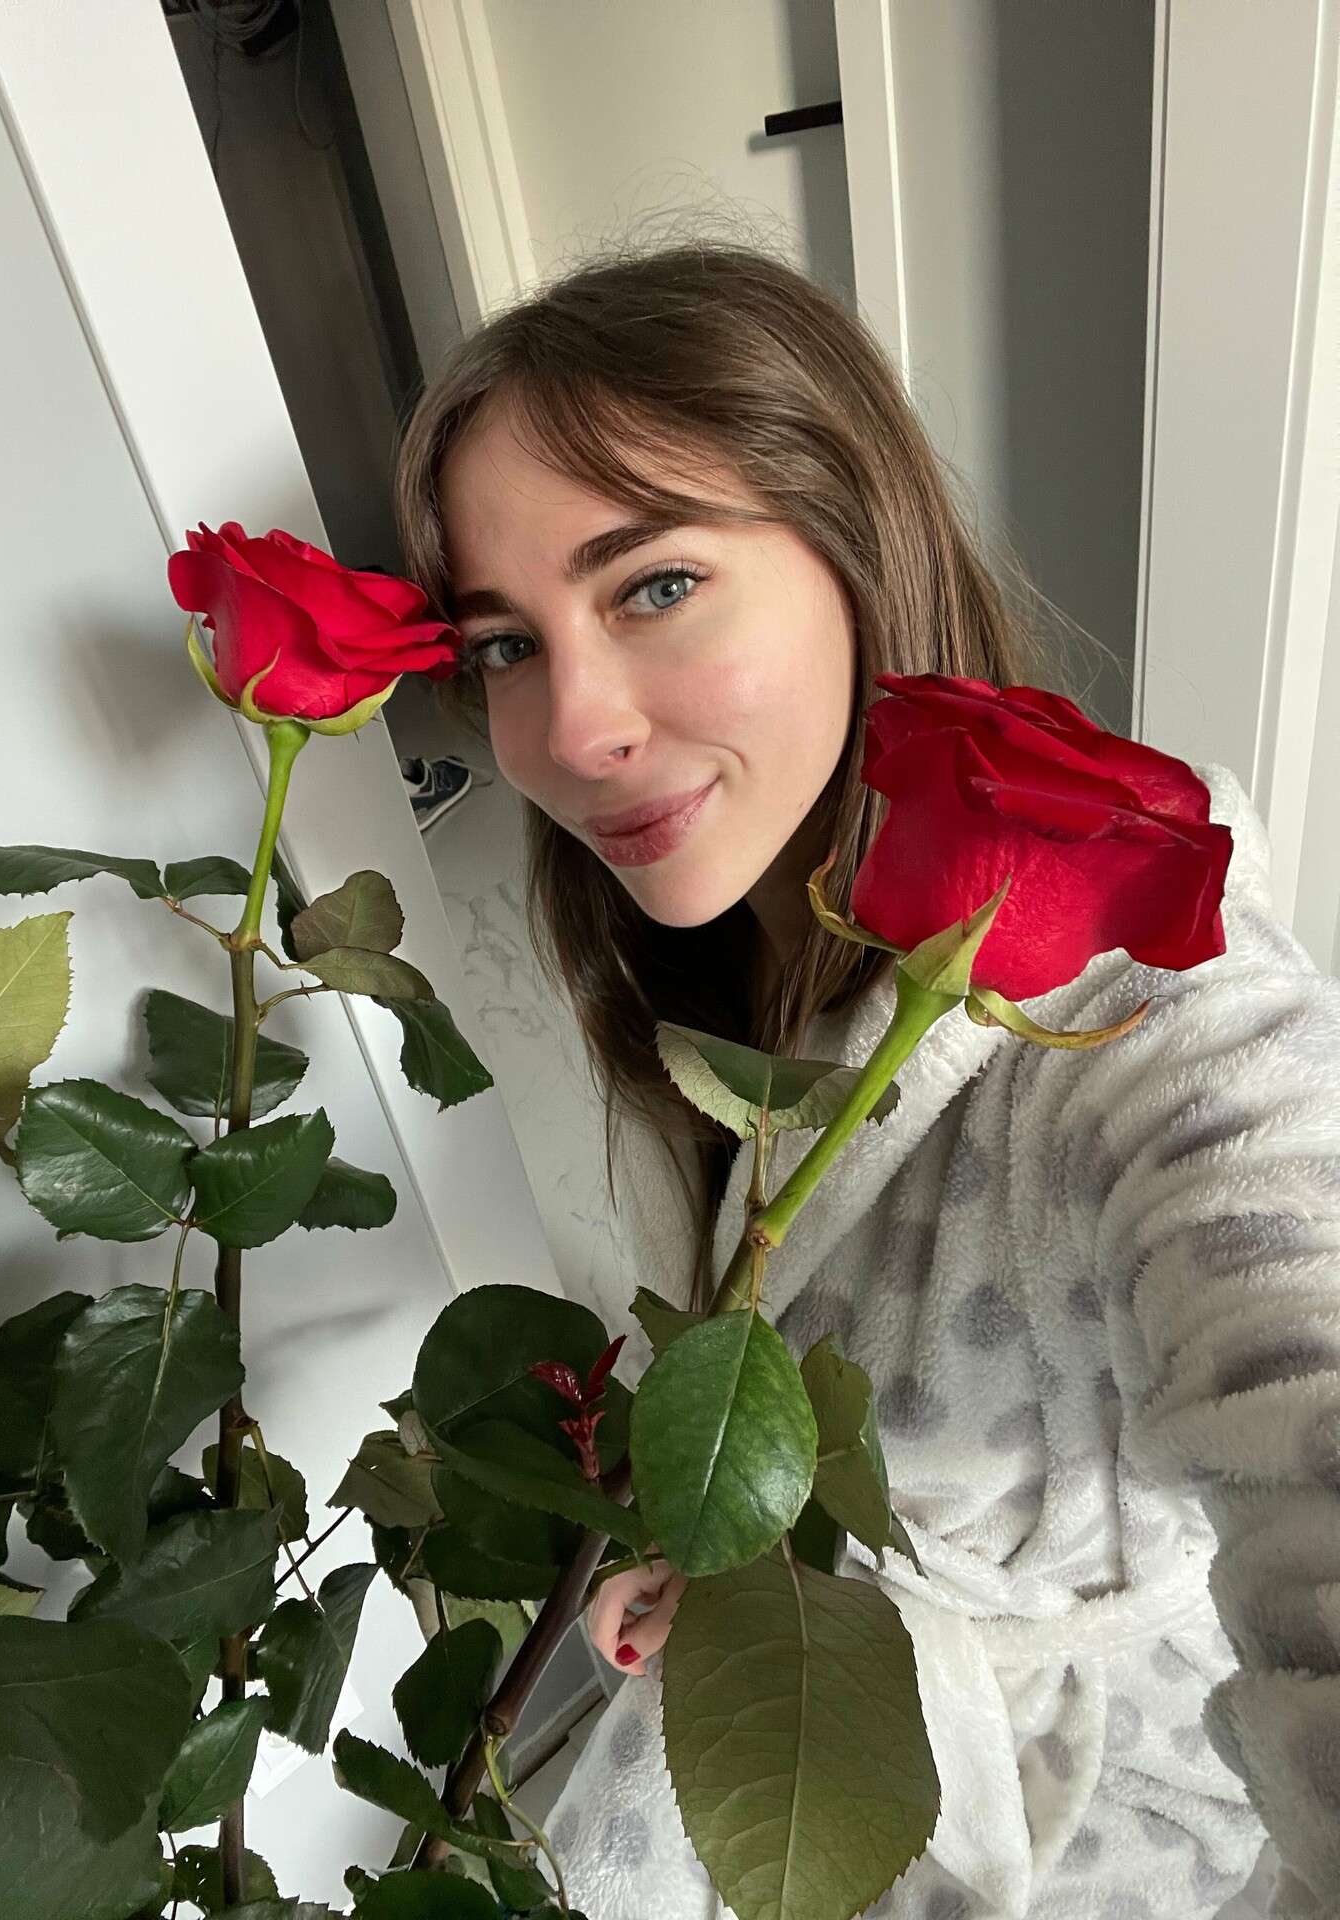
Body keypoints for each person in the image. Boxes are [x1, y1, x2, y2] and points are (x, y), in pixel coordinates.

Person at [393, 245, 1340, 1920]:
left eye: (653, 585)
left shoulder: (1149, 1025)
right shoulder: (729, 983)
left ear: (856, 545)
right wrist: (744, 1554)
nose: (570, 729)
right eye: (506, 644)